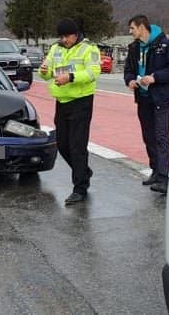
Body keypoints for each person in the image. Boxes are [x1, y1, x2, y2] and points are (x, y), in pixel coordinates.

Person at [39, 18, 101, 205]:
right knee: (63, 143)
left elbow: (94, 72)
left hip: (81, 101)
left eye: (67, 36)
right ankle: (83, 171)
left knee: (77, 146)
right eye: (62, 36)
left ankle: (80, 188)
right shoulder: (55, 48)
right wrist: (43, 70)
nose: (64, 39)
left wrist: (71, 77)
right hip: (62, 101)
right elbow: (48, 71)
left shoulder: (89, 48)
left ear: (75, 34)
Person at [123, 15, 169, 194]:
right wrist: (130, 80)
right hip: (143, 98)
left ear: (142, 27)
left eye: (132, 28)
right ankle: (155, 171)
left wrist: (155, 77)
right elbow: (128, 69)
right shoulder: (134, 48)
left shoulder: (164, 45)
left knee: (161, 136)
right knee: (148, 136)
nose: (130, 32)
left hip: (160, 98)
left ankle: (164, 178)